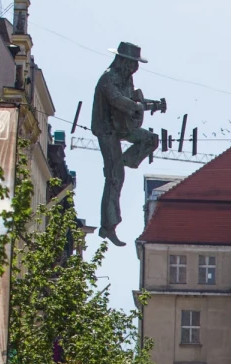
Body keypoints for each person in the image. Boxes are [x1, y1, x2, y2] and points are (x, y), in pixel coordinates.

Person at [92, 42, 162, 246]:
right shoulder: (108, 78)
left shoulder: (126, 78)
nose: (134, 68)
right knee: (114, 180)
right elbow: (117, 100)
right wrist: (137, 107)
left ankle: (124, 160)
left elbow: (132, 99)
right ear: (123, 61)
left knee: (151, 139)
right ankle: (108, 226)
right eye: (132, 63)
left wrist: (153, 104)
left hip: (122, 125)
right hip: (107, 129)